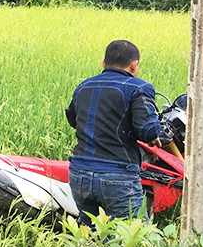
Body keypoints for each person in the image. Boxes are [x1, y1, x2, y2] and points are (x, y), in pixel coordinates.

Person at [65, 39, 162, 226]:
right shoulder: (139, 88)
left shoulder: (84, 86)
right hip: (117, 176)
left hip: (80, 174)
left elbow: (73, 119)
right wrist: (154, 134)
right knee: (135, 235)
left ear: (103, 63)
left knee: (90, 234)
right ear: (134, 65)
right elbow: (148, 131)